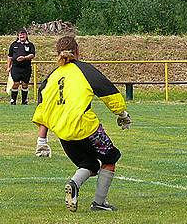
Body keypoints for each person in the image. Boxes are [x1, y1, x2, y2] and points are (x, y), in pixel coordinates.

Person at [32, 36, 132, 211]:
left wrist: (42, 140)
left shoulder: (51, 77)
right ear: (77, 51)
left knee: (89, 165)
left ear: (57, 53)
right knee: (110, 159)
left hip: (63, 132)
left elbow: (44, 109)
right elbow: (108, 92)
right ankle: (99, 203)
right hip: (87, 128)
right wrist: (122, 113)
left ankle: (74, 184)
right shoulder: (84, 70)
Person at [7, 29, 35, 105]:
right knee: (15, 83)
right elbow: (9, 56)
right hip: (16, 68)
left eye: (23, 34)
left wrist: (24, 58)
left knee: (25, 84)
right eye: (20, 34)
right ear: (18, 35)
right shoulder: (14, 44)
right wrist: (8, 67)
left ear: (26, 35)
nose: (22, 36)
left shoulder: (30, 45)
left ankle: (24, 101)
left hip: (26, 68)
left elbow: (32, 55)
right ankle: (13, 100)